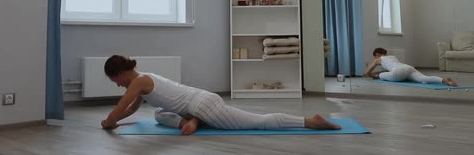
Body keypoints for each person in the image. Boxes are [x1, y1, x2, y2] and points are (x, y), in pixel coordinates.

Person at [100, 55, 341, 135]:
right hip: (197, 102)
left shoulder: (139, 81)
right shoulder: (144, 79)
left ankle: (310, 121)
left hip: (204, 105)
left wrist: (110, 120)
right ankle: (190, 120)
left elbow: (122, 104)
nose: (117, 85)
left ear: (122, 73)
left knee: (257, 122)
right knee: (160, 114)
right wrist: (116, 122)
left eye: (115, 80)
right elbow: (131, 108)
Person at [364, 48, 457, 86]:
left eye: (375, 56)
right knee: (424, 79)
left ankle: (379, 76)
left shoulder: (378, 59)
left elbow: (367, 73)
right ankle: (443, 80)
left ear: (377, 54)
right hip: (408, 68)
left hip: (397, 72)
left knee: (381, 74)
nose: (375, 59)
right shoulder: (392, 56)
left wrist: (374, 76)